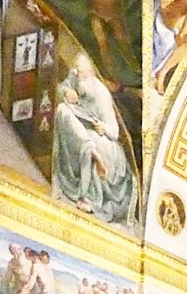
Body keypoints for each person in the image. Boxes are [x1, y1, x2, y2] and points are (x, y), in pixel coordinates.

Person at [52, 53, 135, 223]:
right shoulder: (75, 78)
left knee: (92, 138)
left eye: (81, 72)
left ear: (90, 74)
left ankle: (90, 197)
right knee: (61, 110)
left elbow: (114, 132)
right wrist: (66, 91)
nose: (76, 74)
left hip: (105, 144)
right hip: (82, 132)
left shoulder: (101, 94)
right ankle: (88, 151)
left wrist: (103, 128)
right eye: (75, 71)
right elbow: (62, 87)